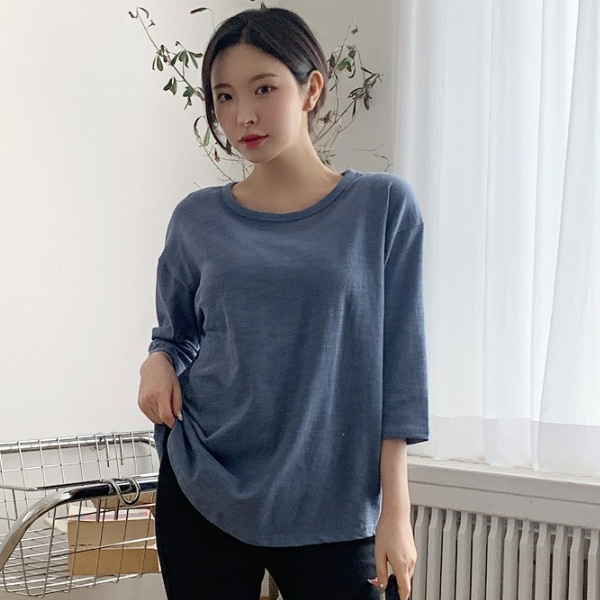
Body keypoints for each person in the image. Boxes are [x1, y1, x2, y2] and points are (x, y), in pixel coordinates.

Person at [137, 7, 428, 600]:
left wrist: (396, 511)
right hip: (204, 484)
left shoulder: (381, 208)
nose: (242, 114)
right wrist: (157, 361)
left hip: (333, 502)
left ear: (310, 89)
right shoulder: (197, 219)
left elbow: (400, 367)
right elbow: (176, 335)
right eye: (224, 96)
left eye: (263, 89)